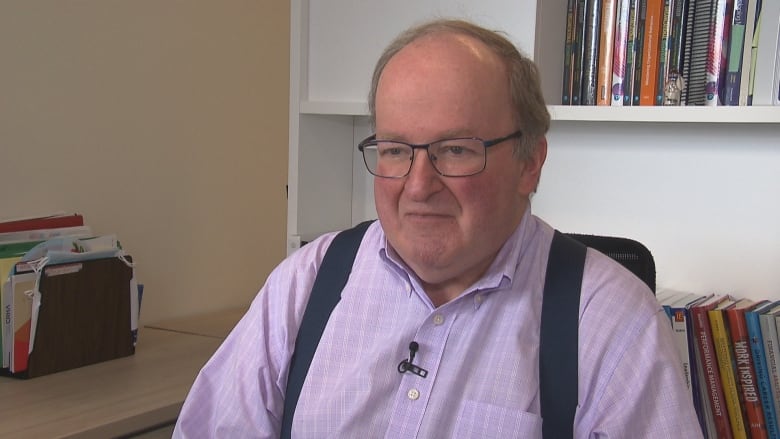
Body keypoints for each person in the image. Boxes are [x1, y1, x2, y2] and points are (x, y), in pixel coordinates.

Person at [174, 19, 703, 438]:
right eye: (396, 150)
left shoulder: (612, 323)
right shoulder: (307, 284)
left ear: (529, 163)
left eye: (455, 150)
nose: (418, 185)